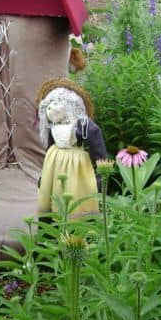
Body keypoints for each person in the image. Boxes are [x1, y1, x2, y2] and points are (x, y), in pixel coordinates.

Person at [36, 78, 107, 218]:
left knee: (75, 190)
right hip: (53, 163)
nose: (51, 109)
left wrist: (101, 173)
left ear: (71, 104)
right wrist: (43, 176)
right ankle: (53, 224)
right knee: (53, 190)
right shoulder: (54, 126)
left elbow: (96, 144)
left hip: (76, 164)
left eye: (57, 103)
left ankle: (75, 224)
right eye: (49, 104)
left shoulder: (82, 125)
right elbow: (50, 145)